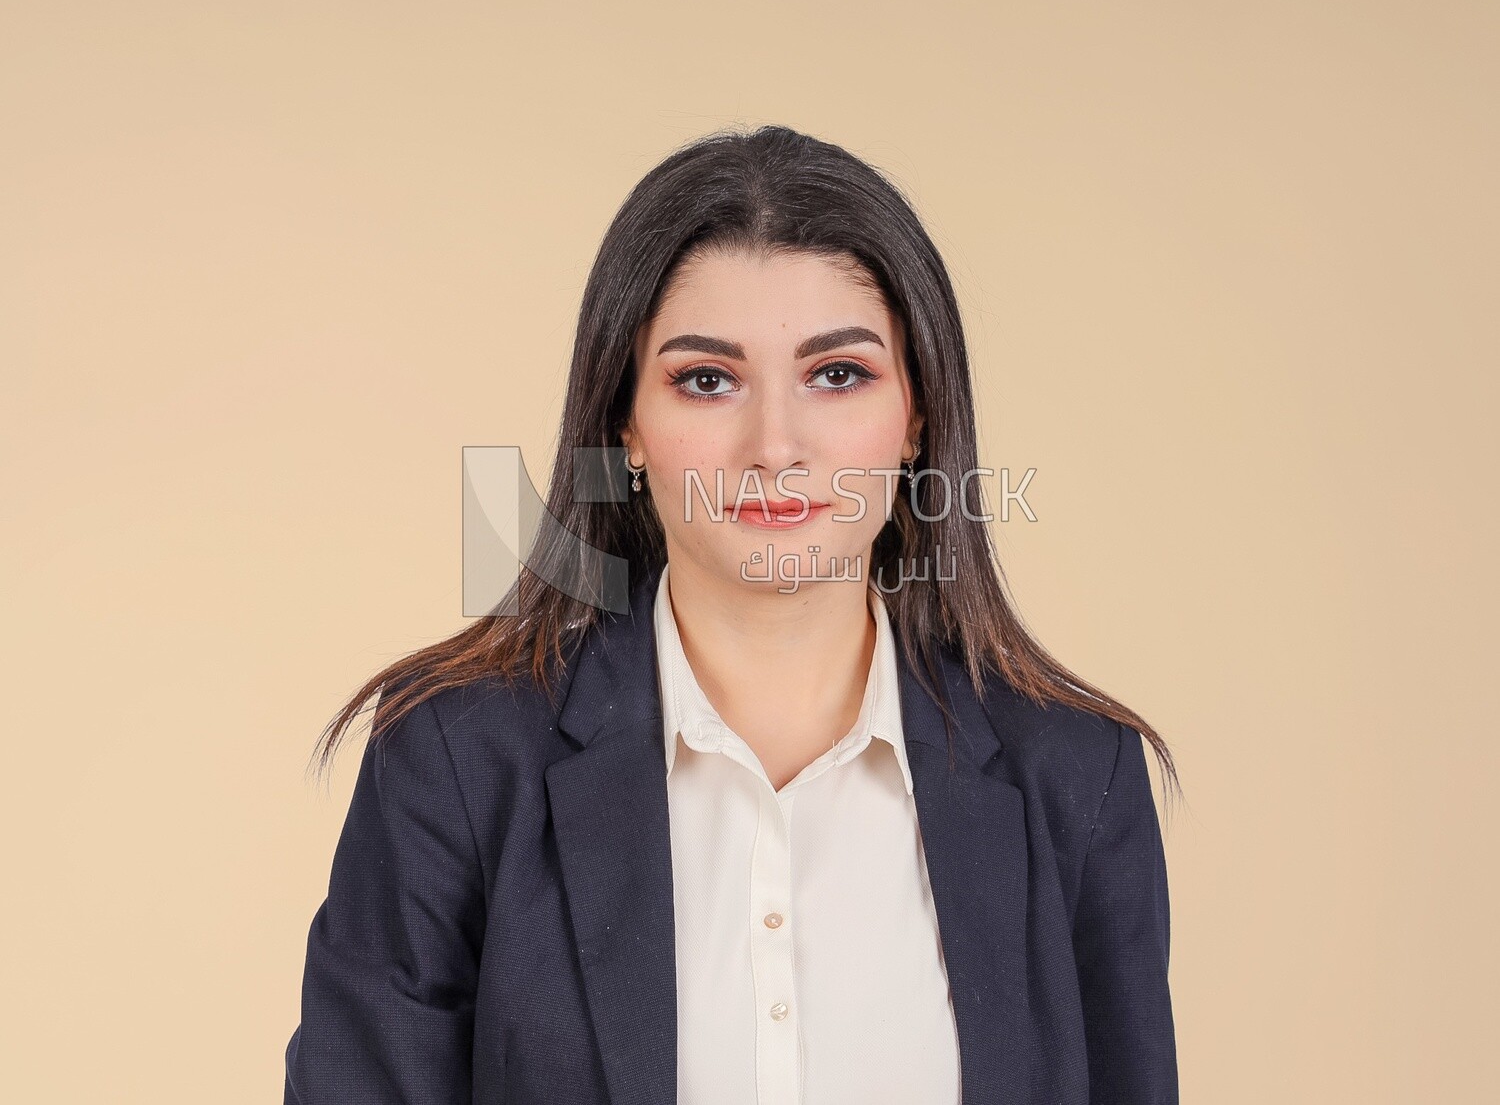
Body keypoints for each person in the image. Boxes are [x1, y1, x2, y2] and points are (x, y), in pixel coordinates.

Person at [283, 124, 1182, 1104]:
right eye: (707, 379)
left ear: (918, 413)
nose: (775, 446)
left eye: (837, 373)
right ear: (625, 421)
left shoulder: (1077, 779)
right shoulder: (455, 761)